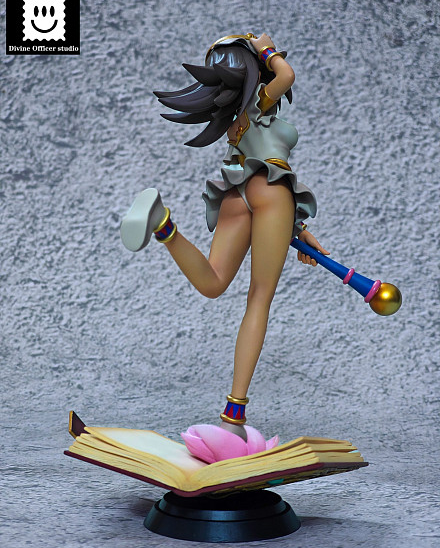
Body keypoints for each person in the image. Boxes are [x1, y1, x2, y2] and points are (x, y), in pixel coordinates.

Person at [121, 33, 329, 443]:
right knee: (259, 298)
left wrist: (298, 231)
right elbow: (287, 75)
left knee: (213, 282)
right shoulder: (258, 102)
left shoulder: (236, 123)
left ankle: (162, 223)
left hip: (237, 193)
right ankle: (233, 416)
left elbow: (254, 169)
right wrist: (265, 47)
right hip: (271, 193)